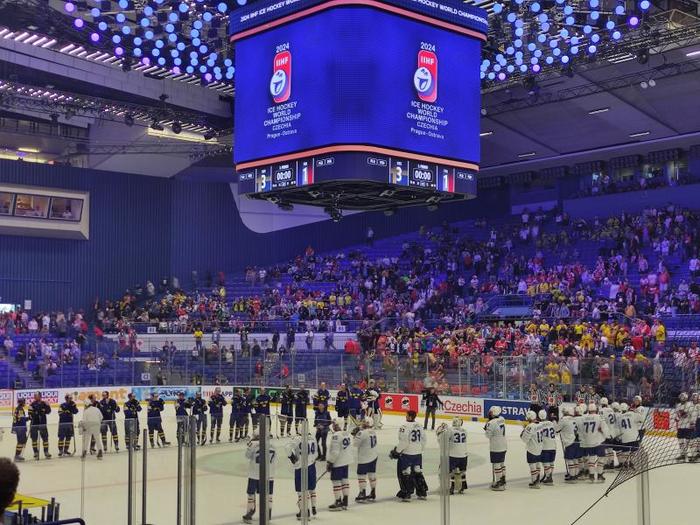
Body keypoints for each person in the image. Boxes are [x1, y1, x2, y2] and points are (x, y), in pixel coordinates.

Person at [391, 410, 427, 501]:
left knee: (405, 472)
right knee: (417, 471)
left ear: (410, 417)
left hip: (407, 453)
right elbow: (424, 439)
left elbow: (404, 441)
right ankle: (422, 492)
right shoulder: (419, 425)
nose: (405, 416)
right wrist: (420, 449)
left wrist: (397, 451)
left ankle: (407, 493)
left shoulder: (404, 426)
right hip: (418, 453)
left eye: (406, 415)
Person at [242, 432, 277, 524]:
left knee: (251, 494)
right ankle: (268, 514)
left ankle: (249, 513)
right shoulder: (272, 445)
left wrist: (249, 446)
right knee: (268, 495)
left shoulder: (253, 445)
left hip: (254, 474)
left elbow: (247, 456)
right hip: (269, 474)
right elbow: (274, 459)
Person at [287, 429, 318, 519]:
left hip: (300, 467)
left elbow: (287, 448)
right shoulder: (312, 438)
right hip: (311, 466)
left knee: (301, 491)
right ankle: (314, 508)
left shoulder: (297, 439)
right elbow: (316, 453)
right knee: (312, 489)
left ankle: (304, 511)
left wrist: (291, 457)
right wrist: (312, 459)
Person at [327, 418, 353, 511]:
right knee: (344, 480)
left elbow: (335, 452)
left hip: (338, 462)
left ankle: (338, 501)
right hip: (346, 461)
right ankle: (345, 501)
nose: (333, 426)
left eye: (334, 424)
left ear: (338, 425)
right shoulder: (347, 434)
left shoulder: (336, 436)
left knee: (336, 481)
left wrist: (330, 462)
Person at [438, 417, 468, 495]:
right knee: (462, 471)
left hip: (453, 455)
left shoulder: (450, 430)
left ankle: (451, 487)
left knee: (450, 472)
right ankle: (462, 486)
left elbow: (443, 441)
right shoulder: (464, 431)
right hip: (463, 455)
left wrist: (440, 433)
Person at [579, 403, 608, 483]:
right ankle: (599, 475)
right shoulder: (599, 417)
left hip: (588, 441)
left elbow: (581, 431)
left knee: (591, 458)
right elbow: (605, 429)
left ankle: (591, 475)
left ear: (588, 410)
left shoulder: (583, 418)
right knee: (601, 458)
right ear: (596, 410)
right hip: (599, 441)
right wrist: (607, 436)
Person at [353, 419, 378, 502]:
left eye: (364, 422)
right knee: (372, 474)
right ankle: (373, 492)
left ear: (367, 423)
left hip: (364, 457)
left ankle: (362, 493)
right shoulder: (373, 432)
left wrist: (355, 435)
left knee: (361, 475)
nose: (362, 423)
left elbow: (355, 444)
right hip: (374, 456)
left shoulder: (362, 433)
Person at [520, 410, 543, 489]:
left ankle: (535, 481)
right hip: (540, 448)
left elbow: (524, 439)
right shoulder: (540, 424)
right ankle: (538, 479)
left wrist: (524, 430)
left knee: (532, 465)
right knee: (537, 464)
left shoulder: (530, 426)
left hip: (532, 449)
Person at [616, 403, 642, 467]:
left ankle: (625, 462)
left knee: (625, 451)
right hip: (634, 436)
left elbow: (618, 429)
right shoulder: (632, 414)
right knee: (634, 449)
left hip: (625, 437)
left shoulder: (619, 417)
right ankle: (630, 461)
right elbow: (641, 420)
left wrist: (619, 438)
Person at [558, 406, 579, 482]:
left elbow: (557, 429)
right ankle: (575, 474)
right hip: (576, 440)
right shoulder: (574, 419)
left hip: (569, 441)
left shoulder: (564, 419)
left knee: (569, 459)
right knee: (575, 459)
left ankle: (572, 475)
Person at [28, 392, 51, 460]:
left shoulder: (44, 403)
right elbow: (30, 413)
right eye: (34, 396)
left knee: (45, 438)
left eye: (36, 396)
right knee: (34, 439)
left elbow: (49, 411)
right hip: (34, 424)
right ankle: (35, 452)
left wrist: (47, 407)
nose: (35, 397)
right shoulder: (32, 404)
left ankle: (46, 452)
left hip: (42, 423)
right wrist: (36, 413)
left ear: (40, 396)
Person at [80, 395, 103, 460]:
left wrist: (83, 428)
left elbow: (84, 421)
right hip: (97, 426)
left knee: (86, 440)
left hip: (89, 427)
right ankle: (100, 452)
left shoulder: (86, 411)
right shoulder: (97, 409)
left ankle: (84, 453)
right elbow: (101, 417)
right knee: (97, 439)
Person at [538, 409, 557, 485]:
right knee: (551, 463)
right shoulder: (551, 423)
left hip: (545, 447)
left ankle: (549, 478)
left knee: (546, 463)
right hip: (553, 446)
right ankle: (549, 476)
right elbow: (556, 431)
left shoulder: (539, 425)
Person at [599, 398, 617, 469]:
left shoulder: (601, 410)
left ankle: (607, 463)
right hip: (613, 432)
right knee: (610, 448)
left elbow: (600, 421)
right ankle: (611, 462)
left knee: (605, 448)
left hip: (606, 432)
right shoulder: (611, 410)